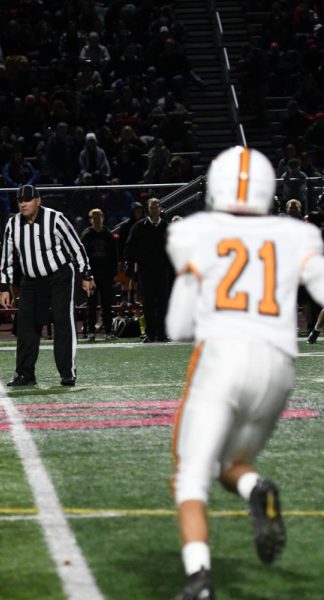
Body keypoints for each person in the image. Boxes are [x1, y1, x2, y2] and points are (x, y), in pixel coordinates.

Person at [166, 146, 324, 599]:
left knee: (190, 475)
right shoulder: (297, 234)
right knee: (231, 465)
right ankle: (255, 487)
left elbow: (178, 327)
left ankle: (199, 579)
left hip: (223, 359)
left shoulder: (197, 232)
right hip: (278, 366)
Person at [0, 185, 95, 387]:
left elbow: (77, 247)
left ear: (38, 201)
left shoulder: (56, 219)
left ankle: (67, 373)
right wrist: (5, 287)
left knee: (62, 321)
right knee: (26, 326)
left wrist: (86, 274)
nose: (23, 203)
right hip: (31, 281)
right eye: (19, 200)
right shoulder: (12, 225)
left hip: (59, 277)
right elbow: (7, 258)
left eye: (28, 199)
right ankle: (25, 374)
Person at [125, 197, 173, 342]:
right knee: (148, 303)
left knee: (163, 302)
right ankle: (150, 333)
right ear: (148, 209)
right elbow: (129, 247)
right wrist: (132, 264)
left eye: (157, 206)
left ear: (160, 209)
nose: (154, 209)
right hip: (145, 271)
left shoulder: (167, 227)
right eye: (152, 207)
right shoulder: (139, 227)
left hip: (163, 270)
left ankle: (162, 333)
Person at [80, 208, 118, 340]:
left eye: (98, 217)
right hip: (92, 275)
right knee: (91, 304)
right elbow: (82, 256)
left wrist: (113, 272)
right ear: (90, 220)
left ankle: (109, 331)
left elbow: (114, 255)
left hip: (106, 275)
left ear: (103, 218)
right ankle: (91, 332)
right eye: (93, 218)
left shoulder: (108, 235)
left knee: (107, 304)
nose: (96, 220)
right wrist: (86, 274)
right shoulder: (86, 235)